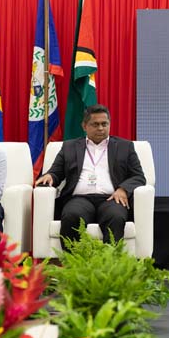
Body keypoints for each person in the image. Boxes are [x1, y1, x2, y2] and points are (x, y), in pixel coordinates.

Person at [35, 104, 146, 247]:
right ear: (84, 126)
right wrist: (50, 176)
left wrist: (123, 189)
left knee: (116, 217)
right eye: (95, 124)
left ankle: (110, 260)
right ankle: (73, 260)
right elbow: (56, 172)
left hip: (111, 198)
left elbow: (138, 176)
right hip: (79, 199)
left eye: (104, 124)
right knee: (71, 215)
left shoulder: (125, 147)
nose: (100, 128)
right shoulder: (69, 147)